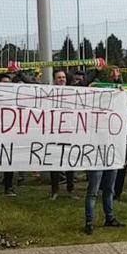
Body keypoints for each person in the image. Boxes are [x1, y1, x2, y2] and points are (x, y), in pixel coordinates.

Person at [49, 69, 75, 199]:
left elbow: (86, 82)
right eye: (59, 77)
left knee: (70, 162)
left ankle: (70, 189)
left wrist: (97, 73)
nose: (62, 79)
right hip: (54, 134)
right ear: (54, 80)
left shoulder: (73, 92)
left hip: (69, 133)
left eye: (63, 77)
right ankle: (55, 190)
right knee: (55, 163)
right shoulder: (49, 93)